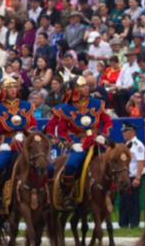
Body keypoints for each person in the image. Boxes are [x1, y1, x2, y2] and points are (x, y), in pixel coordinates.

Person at [46, 76, 113, 210]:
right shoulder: (65, 109)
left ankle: (110, 193)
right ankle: (68, 195)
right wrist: (71, 145)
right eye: (82, 86)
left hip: (96, 141)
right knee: (70, 165)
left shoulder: (96, 103)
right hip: (78, 144)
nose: (86, 88)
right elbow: (62, 132)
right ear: (74, 90)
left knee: (114, 163)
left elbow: (107, 121)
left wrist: (104, 136)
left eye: (86, 86)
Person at [0, 77, 37, 210]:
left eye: (15, 87)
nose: (13, 90)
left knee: (44, 164)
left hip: (25, 141)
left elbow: (33, 124)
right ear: (4, 90)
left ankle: (45, 194)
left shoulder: (26, 105)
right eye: (10, 88)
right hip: (7, 142)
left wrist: (26, 135)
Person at [120, 122, 145, 228]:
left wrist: (138, 178)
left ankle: (134, 223)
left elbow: (140, 162)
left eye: (125, 131)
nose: (123, 134)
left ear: (132, 132)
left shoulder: (137, 145)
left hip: (133, 176)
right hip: (124, 177)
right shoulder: (126, 145)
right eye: (123, 131)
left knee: (133, 201)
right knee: (124, 201)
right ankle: (123, 223)